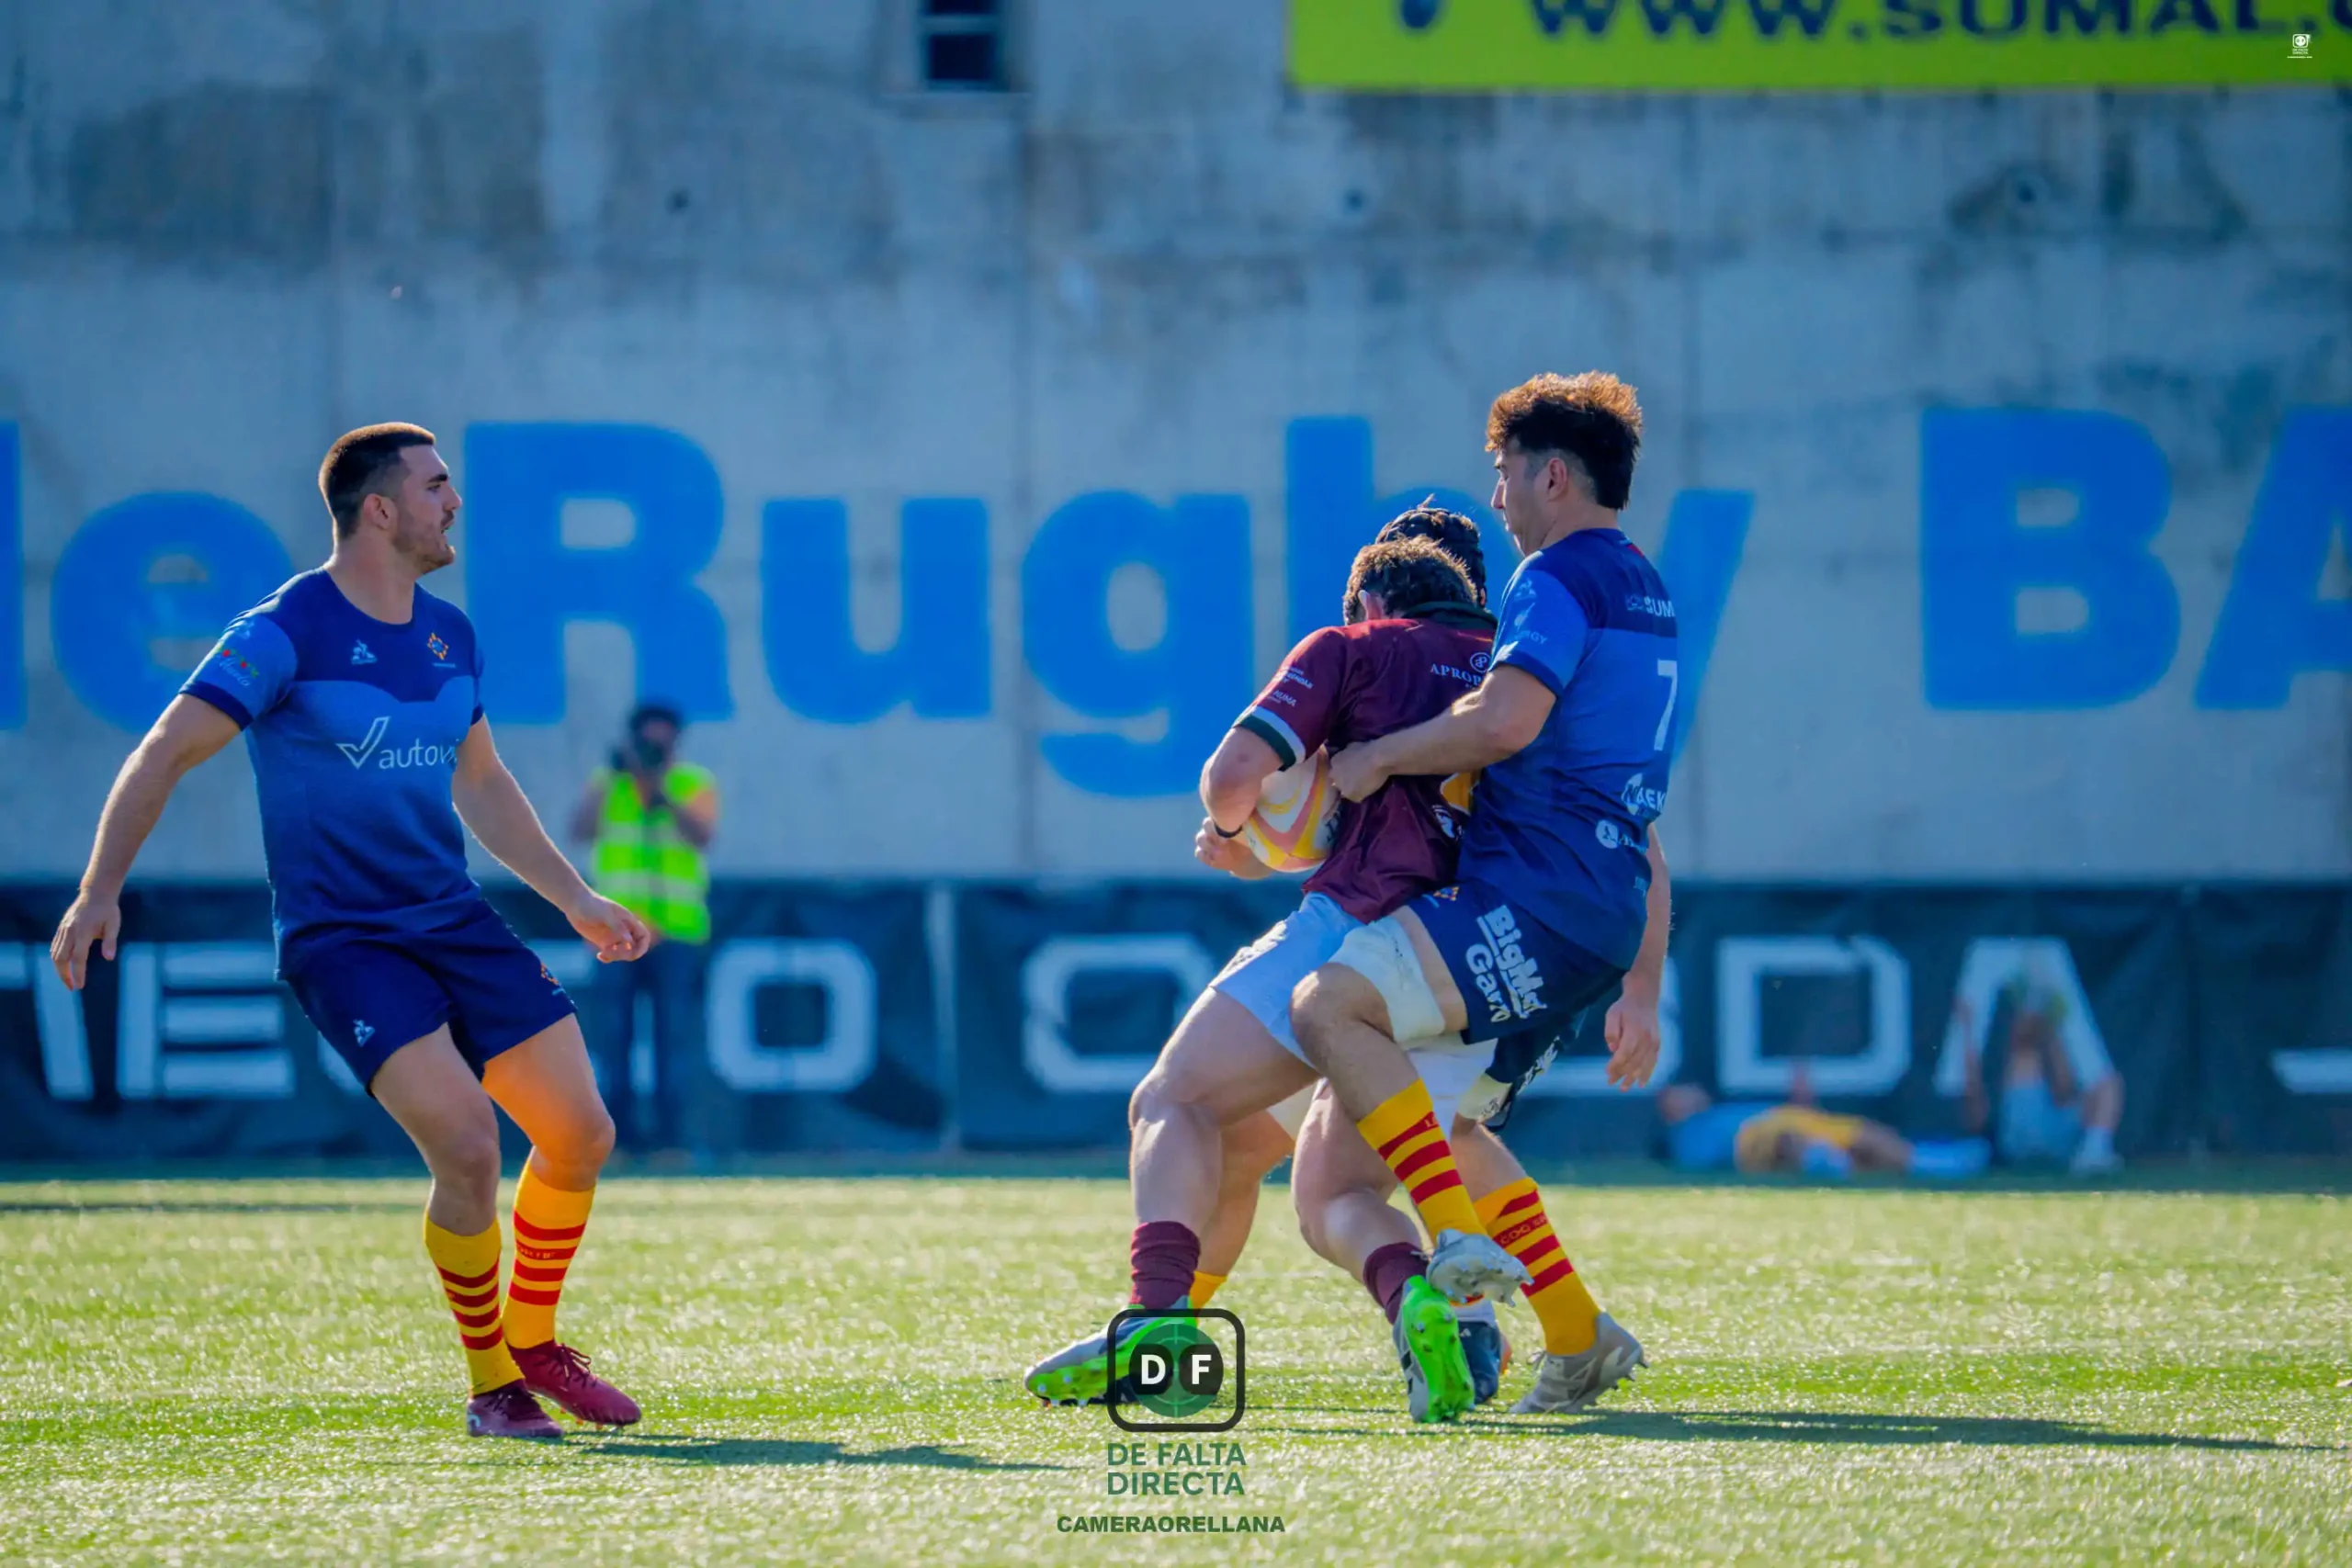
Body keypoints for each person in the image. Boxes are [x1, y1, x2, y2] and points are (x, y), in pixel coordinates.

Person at [50, 424, 652, 1440]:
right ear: (380, 510)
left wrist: (575, 898)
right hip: (345, 940)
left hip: (452, 919)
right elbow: (164, 751)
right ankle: (493, 1384)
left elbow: (483, 783)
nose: (452, 502)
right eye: (435, 485)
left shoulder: (448, 633)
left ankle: (536, 1337)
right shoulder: (284, 629)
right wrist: (98, 888)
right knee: (467, 1148)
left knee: (581, 1135)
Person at [1292, 371, 1674, 1417]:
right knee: (1420, 1132)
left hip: (1529, 905)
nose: (1496, 500)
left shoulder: (1554, 581)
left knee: (1327, 1006)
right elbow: (1638, 827)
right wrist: (1641, 986)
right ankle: (1574, 1332)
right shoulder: (1646, 591)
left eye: (1503, 474)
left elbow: (1502, 722)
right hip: (1597, 911)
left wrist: (1375, 760)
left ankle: (1455, 1241)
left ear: (1552, 474)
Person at [569, 702, 718, 1158]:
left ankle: (671, 1140)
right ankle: (618, 1141)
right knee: (613, 1041)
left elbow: (702, 836)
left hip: (675, 934)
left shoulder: (693, 783)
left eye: (662, 742)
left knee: (674, 1043)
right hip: (615, 934)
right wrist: (618, 774)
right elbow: (580, 830)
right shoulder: (608, 784)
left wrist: (659, 790)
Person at [1958, 963, 2124, 1175]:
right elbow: (1976, 1113)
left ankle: (2093, 1151)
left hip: (2056, 1139)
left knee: (2110, 1084)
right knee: (2024, 1062)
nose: (2027, 1021)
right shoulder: (2000, 1059)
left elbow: (2064, 1089)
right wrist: (1967, 1031)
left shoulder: (2044, 1052)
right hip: (2014, 1145)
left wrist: (2050, 1033)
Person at [1657, 1078, 1991, 1180]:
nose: (1689, 1091)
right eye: (1678, 1093)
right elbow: (1700, 1158)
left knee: (1865, 1138)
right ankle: (1822, 1160)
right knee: (1789, 1138)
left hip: (1790, 1119)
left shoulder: (1720, 1111)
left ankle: (1933, 1161)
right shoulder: (1687, 1134)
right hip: (1761, 1136)